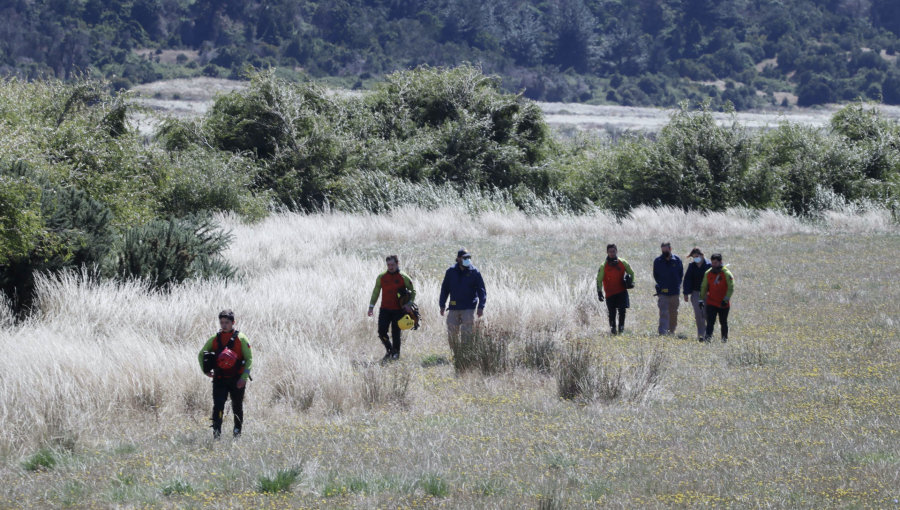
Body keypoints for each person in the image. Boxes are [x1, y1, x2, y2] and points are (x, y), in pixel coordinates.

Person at [197, 309, 253, 439]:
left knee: (237, 407)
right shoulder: (215, 339)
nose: (224, 325)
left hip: (237, 379)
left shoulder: (241, 338)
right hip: (220, 379)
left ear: (233, 323)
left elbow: (249, 358)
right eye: (221, 322)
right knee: (218, 407)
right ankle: (217, 435)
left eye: (227, 322)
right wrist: (205, 370)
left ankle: (237, 433)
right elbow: (201, 354)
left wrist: (244, 377)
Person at [368, 255, 416, 361]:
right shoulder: (382, 276)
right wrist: (371, 306)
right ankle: (389, 350)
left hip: (398, 310)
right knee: (381, 332)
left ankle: (396, 354)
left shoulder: (404, 277)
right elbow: (376, 292)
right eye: (388, 265)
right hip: (384, 309)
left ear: (397, 264)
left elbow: (413, 291)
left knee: (396, 333)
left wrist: (409, 304)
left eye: (392, 265)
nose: (390, 267)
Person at [439, 249, 487, 349]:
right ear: (458, 259)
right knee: (452, 334)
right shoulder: (450, 271)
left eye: (469, 257)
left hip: (468, 307)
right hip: (453, 307)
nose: (467, 260)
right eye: (465, 258)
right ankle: (455, 354)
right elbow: (444, 289)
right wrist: (442, 305)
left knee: (467, 334)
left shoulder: (474, 272)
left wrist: (481, 306)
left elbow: (481, 290)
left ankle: (465, 355)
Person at [596, 244, 635, 335]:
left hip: (621, 290)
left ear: (616, 251)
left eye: (613, 251)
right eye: (610, 252)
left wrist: (632, 282)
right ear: (607, 252)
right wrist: (599, 292)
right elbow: (599, 279)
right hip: (609, 293)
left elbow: (632, 273)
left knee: (622, 310)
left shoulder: (623, 262)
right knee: (612, 312)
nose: (612, 253)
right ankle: (613, 329)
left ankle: (621, 328)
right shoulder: (603, 266)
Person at [700, 253, 735, 343]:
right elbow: (704, 287)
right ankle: (707, 340)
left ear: (720, 262)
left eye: (716, 263)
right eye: (712, 262)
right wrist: (701, 299)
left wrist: (726, 299)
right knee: (710, 322)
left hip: (723, 303)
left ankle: (724, 340)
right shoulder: (708, 273)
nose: (714, 265)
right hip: (711, 302)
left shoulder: (726, 273)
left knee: (723, 322)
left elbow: (731, 287)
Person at [653, 242, 684, 336]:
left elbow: (680, 273)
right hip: (663, 291)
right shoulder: (657, 261)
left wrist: (676, 284)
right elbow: (656, 275)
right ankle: (662, 332)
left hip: (674, 291)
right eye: (663, 250)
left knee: (673, 312)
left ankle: (671, 331)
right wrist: (662, 285)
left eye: (666, 249)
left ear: (670, 249)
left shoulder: (677, 260)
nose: (664, 251)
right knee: (663, 312)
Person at [682, 247, 712, 342]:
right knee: (699, 315)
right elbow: (687, 280)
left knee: (708, 314)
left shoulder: (709, 266)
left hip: (709, 293)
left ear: (702, 255)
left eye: (697, 256)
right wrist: (686, 293)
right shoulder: (691, 266)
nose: (695, 258)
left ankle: (709, 334)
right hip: (696, 294)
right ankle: (701, 336)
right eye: (694, 257)